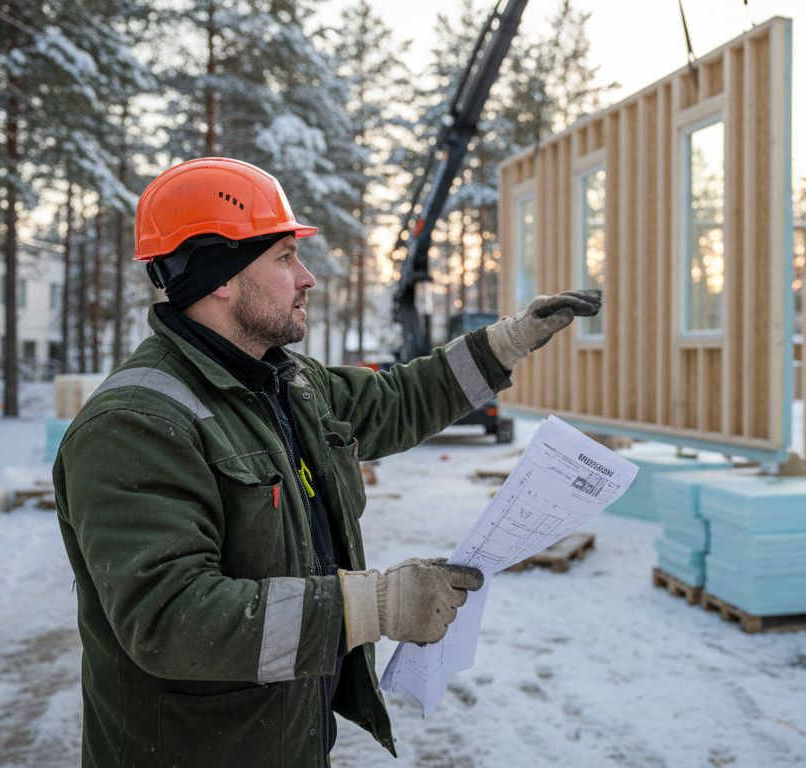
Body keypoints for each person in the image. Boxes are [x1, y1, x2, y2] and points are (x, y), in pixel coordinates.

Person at [53, 157, 600, 768]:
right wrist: (374, 605)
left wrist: (507, 341)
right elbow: (171, 620)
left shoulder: (284, 381)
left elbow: (395, 401)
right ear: (221, 275)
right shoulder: (138, 424)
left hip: (285, 738)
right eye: (285, 257)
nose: (307, 277)